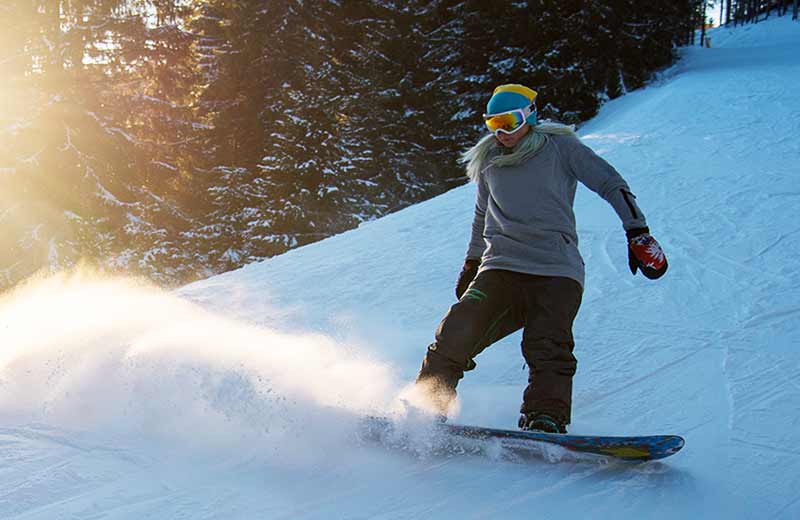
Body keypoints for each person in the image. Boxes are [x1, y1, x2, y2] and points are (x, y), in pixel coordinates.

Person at [414, 84, 667, 434]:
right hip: (500, 267)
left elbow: (610, 182)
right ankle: (428, 406)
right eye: (492, 124)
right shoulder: (490, 159)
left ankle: (545, 416)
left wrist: (637, 230)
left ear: (529, 116)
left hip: (556, 270)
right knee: (456, 330)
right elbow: (481, 214)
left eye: (508, 121)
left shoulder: (560, 148)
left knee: (548, 343)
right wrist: (472, 263)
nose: (500, 132)